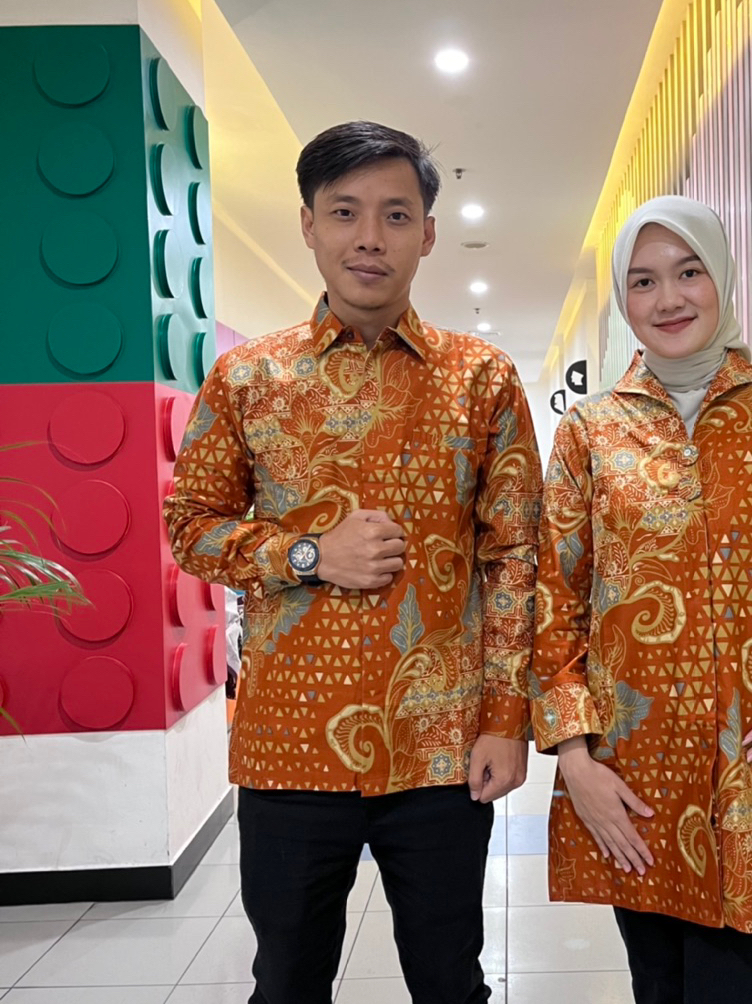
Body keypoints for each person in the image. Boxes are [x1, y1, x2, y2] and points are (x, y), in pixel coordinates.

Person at [165, 120, 542, 1004]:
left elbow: (516, 555)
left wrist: (506, 718)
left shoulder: (482, 378)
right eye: (345, 212)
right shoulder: (248, 379)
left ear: (428, 235)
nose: (370, 237)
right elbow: (190, 527)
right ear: (308, 225)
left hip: (443, 751)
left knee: (450, 982)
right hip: (289, 746)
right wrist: (306, 553)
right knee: (287, 982)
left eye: (396, 215)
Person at [528, 196, 752, 1004]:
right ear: (624, 299)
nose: (669, 298)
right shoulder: (590, 431)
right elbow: (555, 598)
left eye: (688, 272)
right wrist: (574, 758)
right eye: (643, 281)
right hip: (632, 768)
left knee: (739, 986)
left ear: (721, 276)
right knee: (657, 983)